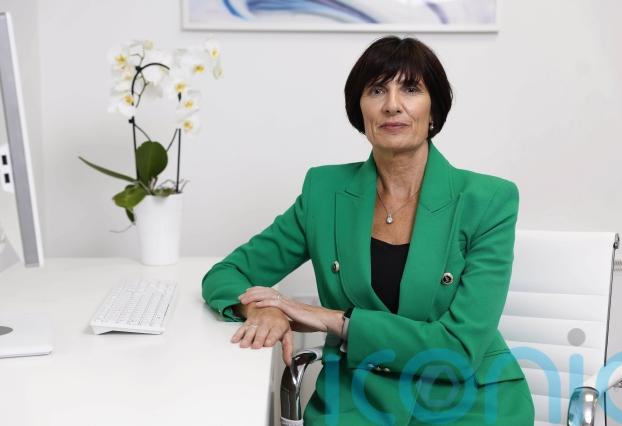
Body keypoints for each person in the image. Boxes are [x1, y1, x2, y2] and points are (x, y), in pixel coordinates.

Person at [202, 36, 534, 425]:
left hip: (469, 402)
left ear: (434, 109)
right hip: (358, 402)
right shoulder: (324, 193)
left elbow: (459, 348)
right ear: (359, 110)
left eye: (410, 89)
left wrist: (333, 320)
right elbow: (226, 275)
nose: (392, 104)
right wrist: (263, 308)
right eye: (377, 90)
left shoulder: (488, 200)